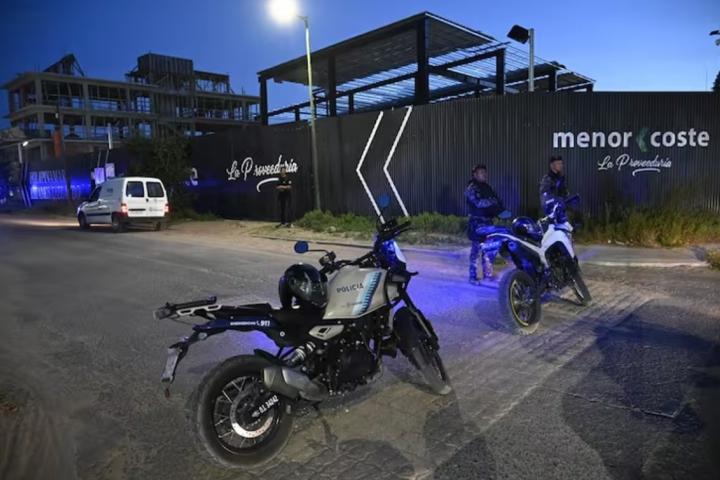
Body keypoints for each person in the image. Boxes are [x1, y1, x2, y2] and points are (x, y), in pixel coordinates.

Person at [465, 164, 505, 284]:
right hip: (477, 223)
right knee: (476, 251)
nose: (484, 174)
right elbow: (478, 203)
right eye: (481, 172)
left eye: (485, 172)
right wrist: (492, 202)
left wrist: (501, 211)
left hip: (488, 222)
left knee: (489, 250)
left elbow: (497, 201)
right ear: (475, 174)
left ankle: (487, 274)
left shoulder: (487, 187)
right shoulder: (472, 188)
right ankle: (472, 276)